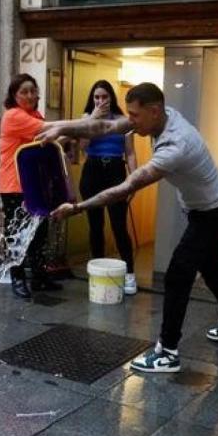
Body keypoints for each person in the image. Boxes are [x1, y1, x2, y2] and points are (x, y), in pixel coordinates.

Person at [39, 82, 218, 373]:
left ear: (154, 110)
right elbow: (106, 128)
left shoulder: (177, 145)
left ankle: (168, 352)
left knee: (177, 274)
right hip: (208, 206)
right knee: (211, 265)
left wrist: (77, 208)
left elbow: (126, 187)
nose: (130, 121)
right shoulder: (161, 117)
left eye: (135, 115)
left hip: (211, 212)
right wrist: (61, 127)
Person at [0, 73, 62, 299]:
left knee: (39, 233)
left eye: (32, 91)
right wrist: (90, 121)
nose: (30, 95)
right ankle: (17, 278)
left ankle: (39, 277)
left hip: (34, 184)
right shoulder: (14, 116)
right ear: (14, 96)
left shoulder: (34, 114)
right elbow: (52, 128)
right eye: (24, 92)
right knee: (17, 234)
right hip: (14, 185)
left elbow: (48, 139)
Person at [78, 80, 138, 295]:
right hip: (92, 171)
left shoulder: (123, 121)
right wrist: (93, 119)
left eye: (104, 97)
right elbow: (82, 148)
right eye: (96, 97)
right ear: (92, 100)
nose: (101, 101)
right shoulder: (86, 118)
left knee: (119, 225)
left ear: (111, 98)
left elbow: (130, 153)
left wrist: (134, 181)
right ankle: (98, 272)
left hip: (115, 171)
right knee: (96, 226)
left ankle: (130, 274)